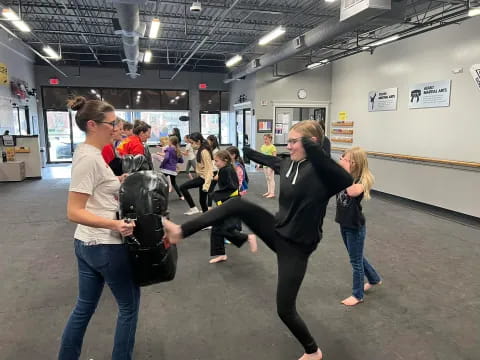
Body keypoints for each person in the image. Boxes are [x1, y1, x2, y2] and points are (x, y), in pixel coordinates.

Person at [163, 120, 352, 360]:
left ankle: (313, 351)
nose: (289, 145)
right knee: (236, 204)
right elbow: (268, 160)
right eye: (290, 140)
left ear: (311, 143)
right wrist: (244, 150)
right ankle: (181, 232)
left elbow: (344, 180)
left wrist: (314, 147)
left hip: (296, 248)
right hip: (276, 230)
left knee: (285, 310)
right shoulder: (288, 164)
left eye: (295, 141)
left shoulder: (324, 174)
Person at [58, 96, 139, 360]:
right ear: (93, 125)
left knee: (84, 307)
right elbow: (74, 211)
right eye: (112, 123)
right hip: (103, 244)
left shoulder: (91, 155)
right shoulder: (89, 159)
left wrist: (117, 180)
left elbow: (95, 190)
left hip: (87, 245)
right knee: (129, 306)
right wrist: (115, 223)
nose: (117, 128)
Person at [336, 147, 381, 306]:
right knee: (356, 256)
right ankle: (374, 278)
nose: (342, 161)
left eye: (346, 159)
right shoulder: (345, 177)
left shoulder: (362, 181)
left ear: (355, 164)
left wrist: (345, 173)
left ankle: (357, 295)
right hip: (344, 223)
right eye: (342, 157)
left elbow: (352, 193)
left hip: (355, 226)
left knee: (355, 261)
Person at [208, 150, 257, 263]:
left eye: (216, 161)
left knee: (223, 228)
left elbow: (232, 187)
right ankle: (221, 254)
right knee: (217, 227)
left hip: (231, 202)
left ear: (225, 160)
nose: (215, 163)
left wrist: (216, 195)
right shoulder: (225, 169)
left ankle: (247, 238)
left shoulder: (227, 170)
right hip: (228, 201)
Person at [179, 132, 213, 215]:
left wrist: (206, 185)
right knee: (202, 201)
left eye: (192, 143)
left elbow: (209, 169)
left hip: (204, 179)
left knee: (183, 187)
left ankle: (193, 208)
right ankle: (207, 221)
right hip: (202, 177)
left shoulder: (204, 151)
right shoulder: (200, 149)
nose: (190, 145)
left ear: (198, 141)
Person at [160, 135, 184, 200]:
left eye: (169, 141)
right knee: (174, 183)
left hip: (166, 169)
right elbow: (181, 160)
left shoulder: (169, 149)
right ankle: (181, 196)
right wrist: (174, 161)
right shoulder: (177, 150)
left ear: (170, 142)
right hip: (173, 170)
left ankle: (162, 197)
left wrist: (162, 165)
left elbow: (166, 158)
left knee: (162, 182)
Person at [259, 134, 277, 198]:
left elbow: (274, 157)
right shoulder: (262, 146)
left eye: (266, 139)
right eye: (264, 139)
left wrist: (273, 165)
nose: (265, 140)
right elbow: (261, 157)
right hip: (264, 164)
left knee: (271, 178)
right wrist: (259, 164)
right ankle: (269, 191)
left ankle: (272, 193)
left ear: (270, 139)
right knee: (267, 178)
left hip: (270, 164)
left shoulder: (272, 147)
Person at [206, 134, 220, 209]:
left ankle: (209, 207)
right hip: (211, 171)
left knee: (210, 190)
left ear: (212, 141)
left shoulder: (216, 151)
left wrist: (218, 174)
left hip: (215, 172)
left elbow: (218, 164)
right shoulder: (211, 149)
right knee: (209, 190)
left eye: (208, 141)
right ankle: (209, 206)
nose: (206, 142)